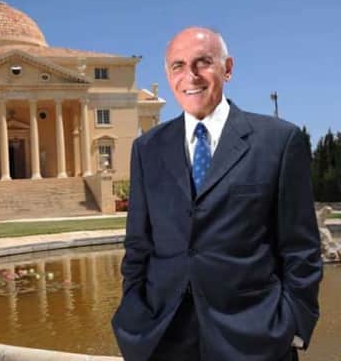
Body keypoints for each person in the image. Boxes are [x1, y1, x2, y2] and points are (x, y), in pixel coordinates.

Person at [111, 27, 322, 361]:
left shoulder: (279, 142)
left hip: (254, 339)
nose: (190, 75)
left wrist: (294, 325)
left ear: (228, 68)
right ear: (168, 75)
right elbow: (138, 245)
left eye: (203, 62)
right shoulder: (146, 149)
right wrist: (133, 315)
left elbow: (301, 248)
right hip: (163, 338)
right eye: (178, 66)